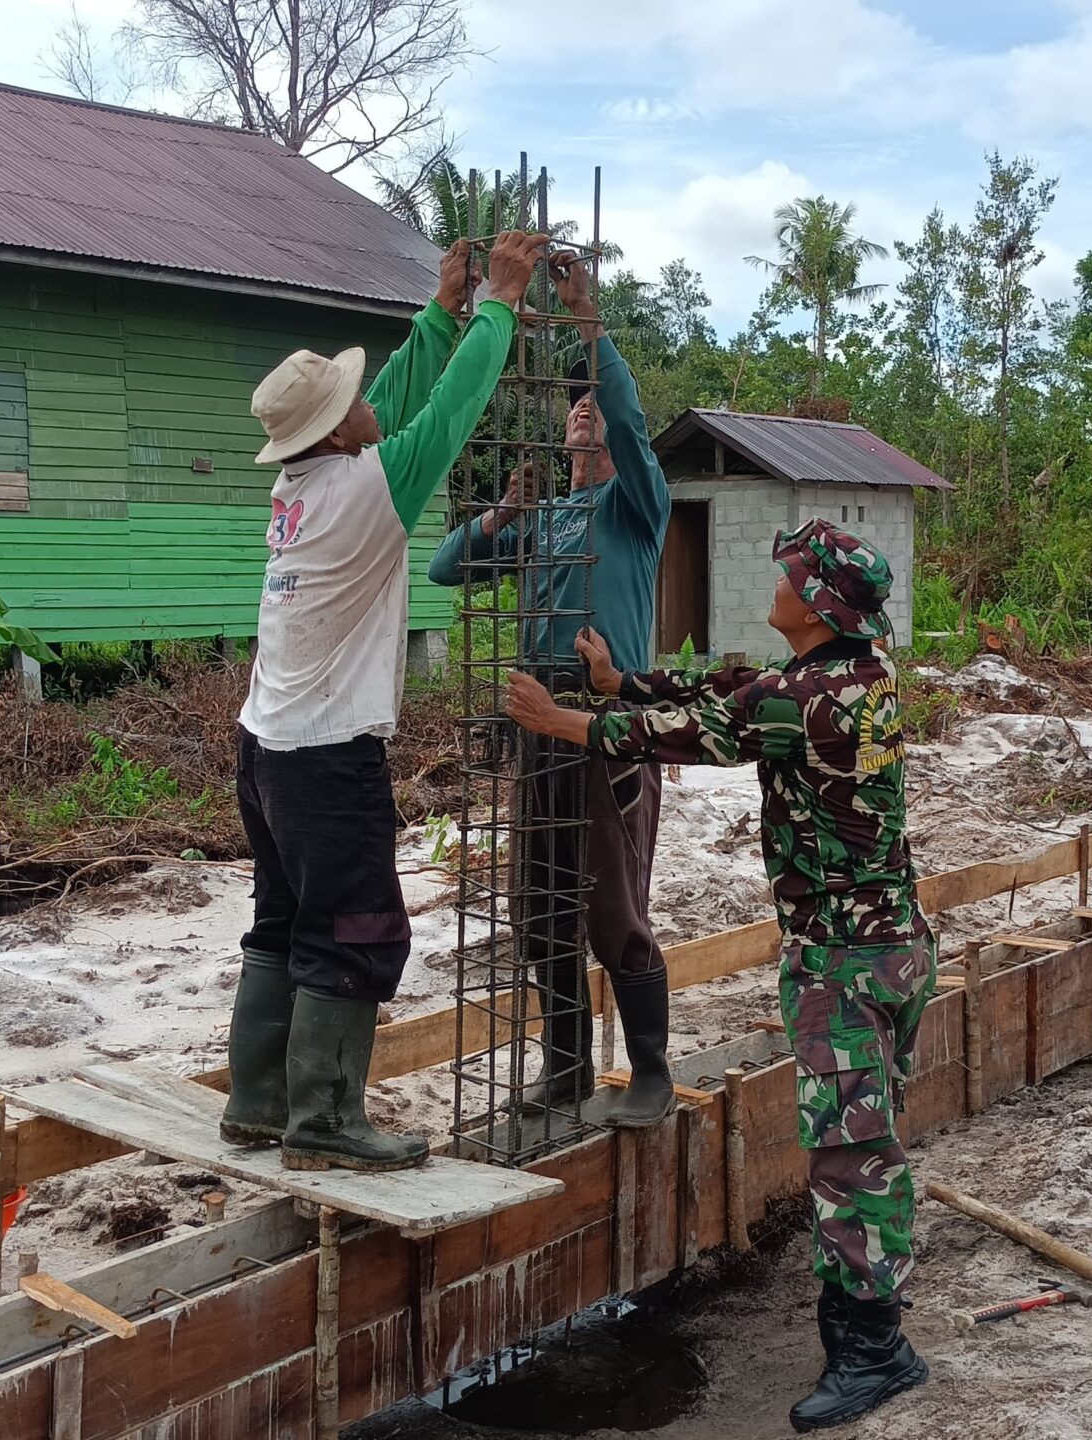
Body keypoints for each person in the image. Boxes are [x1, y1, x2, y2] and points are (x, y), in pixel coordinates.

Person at [502, 521, 933, 1431]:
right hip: (892, 945)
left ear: (817, 609)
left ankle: (873, 1353)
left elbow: (696, 729)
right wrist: (628, 680)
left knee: (852, 1159)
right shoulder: (859, 677)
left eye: (788, 578)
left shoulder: (805, 705)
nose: (773, 586)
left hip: (842, 964)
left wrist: (564, 720)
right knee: (873, 1141)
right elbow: (728, 683)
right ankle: (873, 1317)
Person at [220, 230, 552, 1174]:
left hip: (267, 746)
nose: (371, 405)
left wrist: (439, 314)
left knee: (283, 919)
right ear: (335, 431)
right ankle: (324, 1120)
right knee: (359, 927)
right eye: (351, 401)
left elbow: (392, 406)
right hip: (327, 755)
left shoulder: (305, 484)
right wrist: (498, 304)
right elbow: (447, 412)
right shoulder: (370, 489)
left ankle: (259, 1100)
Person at [426, 256, 675, 1127]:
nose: (583, 406)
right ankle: (566, 1064)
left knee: (611, 903)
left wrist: (587, 321)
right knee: (538, 905)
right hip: (538, 721)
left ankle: (649, 1071)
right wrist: (495, 516)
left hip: (606, 717)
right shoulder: (541, 522)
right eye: (574, 401)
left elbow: (636, 426)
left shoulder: (635, 509)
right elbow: (445, 567)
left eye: (593, 402)